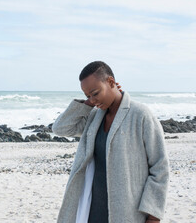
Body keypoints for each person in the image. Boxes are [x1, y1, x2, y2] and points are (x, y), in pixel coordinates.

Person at [52, 61, 169, 223]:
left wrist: (154, 215)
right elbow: (60, 128)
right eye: (88, 96)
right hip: (92, 209)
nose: (93, 100)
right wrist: (86, 104)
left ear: (111, 82)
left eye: (95, 93)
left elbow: (160, 166)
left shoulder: (140, 115)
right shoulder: (94, 117)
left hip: (128, 211)